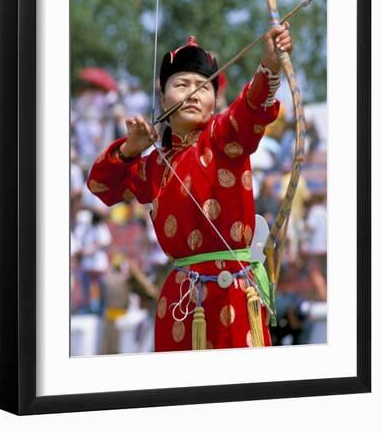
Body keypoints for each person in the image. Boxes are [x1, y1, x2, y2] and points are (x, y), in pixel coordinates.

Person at [87, 24, 293, 351]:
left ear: (214, 100)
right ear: (161, 97)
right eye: (181, 84)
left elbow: (250, 109)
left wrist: (269, 65)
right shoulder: (153, 164)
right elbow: (102, 186)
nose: (193, 93)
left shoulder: (225, 137)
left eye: (204, 86)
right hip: (180, 301)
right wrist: (129, 149)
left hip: (233, 294)